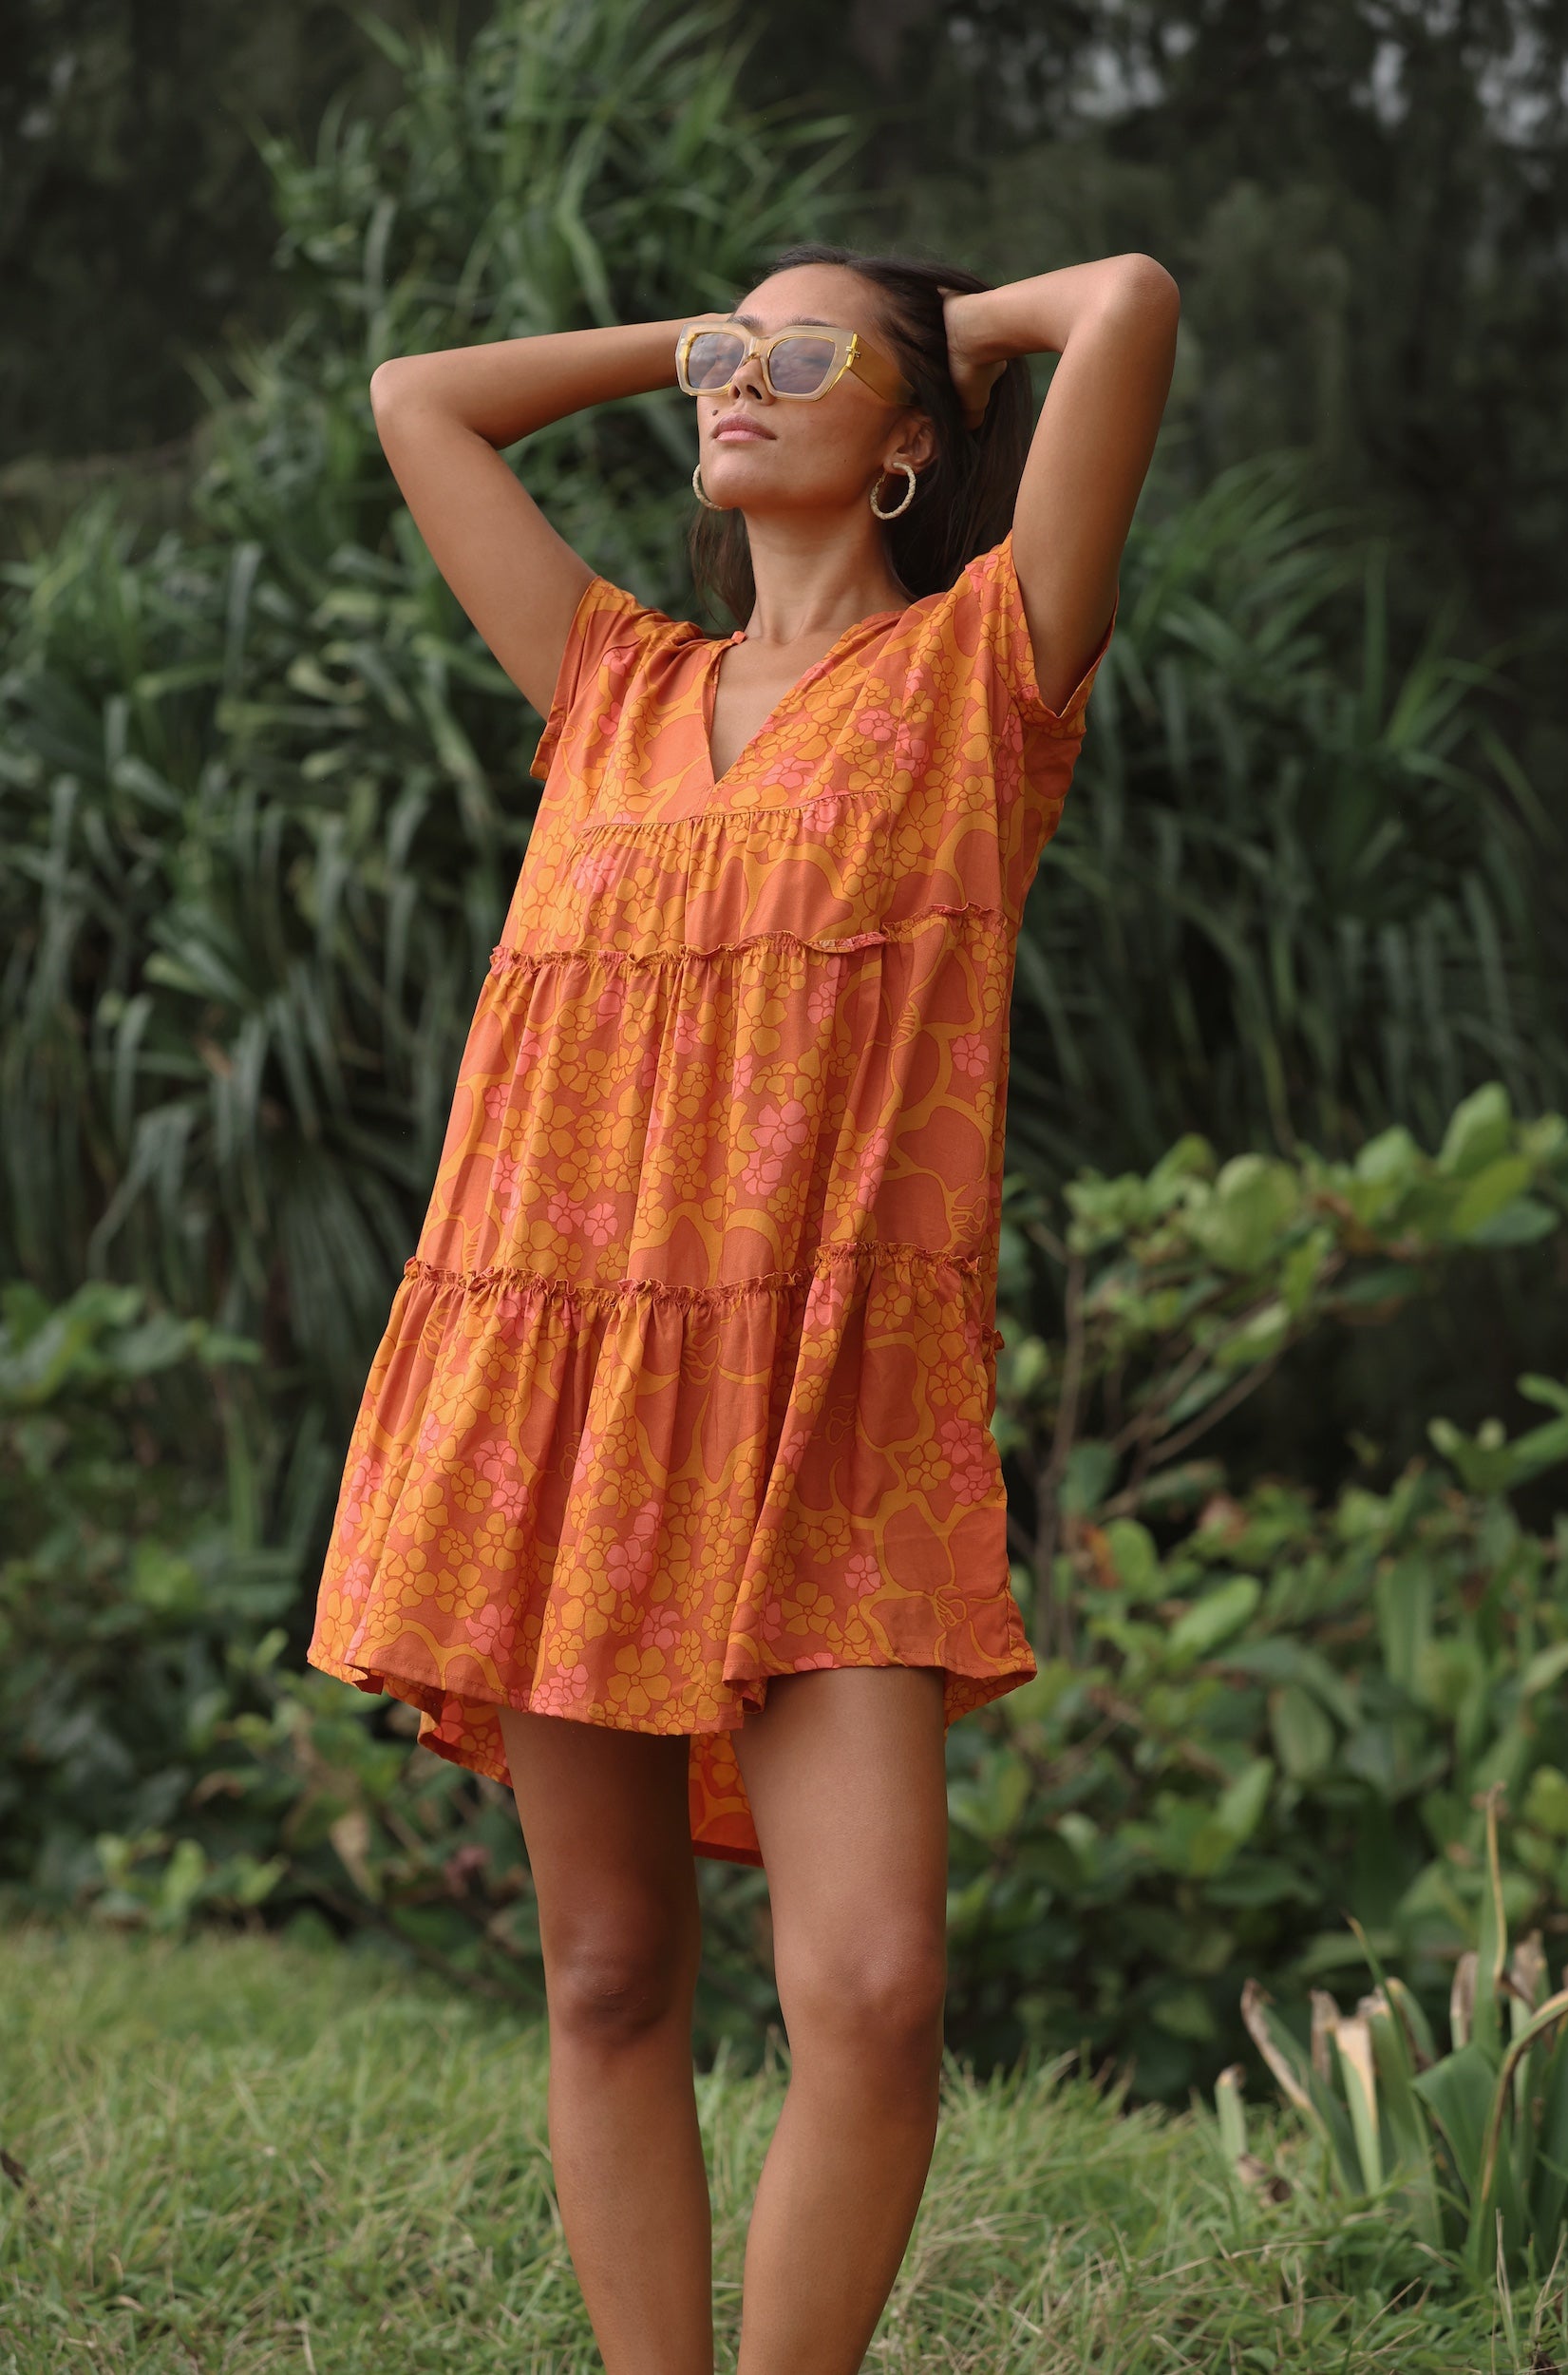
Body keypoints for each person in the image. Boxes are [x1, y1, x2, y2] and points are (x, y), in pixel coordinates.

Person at [308, 238, 1178, 2375]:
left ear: (910, 447)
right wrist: (718, 343)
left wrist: (942, 332)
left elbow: (1131, 302)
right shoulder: (609, 681)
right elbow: (421, 396)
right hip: (562, 1378)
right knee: (609, 1971)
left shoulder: (984, 672)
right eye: (723, 354)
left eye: (798, 361)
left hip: (831, 1399)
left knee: (871, 1990)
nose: (736, 380)